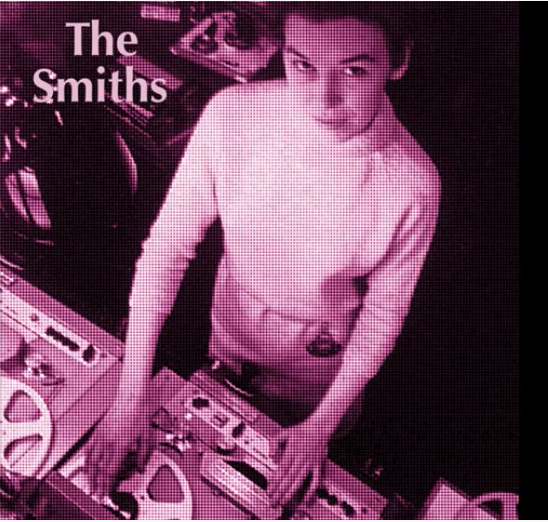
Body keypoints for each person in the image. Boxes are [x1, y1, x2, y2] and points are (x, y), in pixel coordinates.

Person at [85, 2, 441, 510]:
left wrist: (321, 425)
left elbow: (383, 315)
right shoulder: (231, 113)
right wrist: (129, 398)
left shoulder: (414, 184)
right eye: (303, 65)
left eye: (354, 71)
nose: (323, 99)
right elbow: (166, 250)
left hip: (318, 369)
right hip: (229, 328)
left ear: (398, 61)